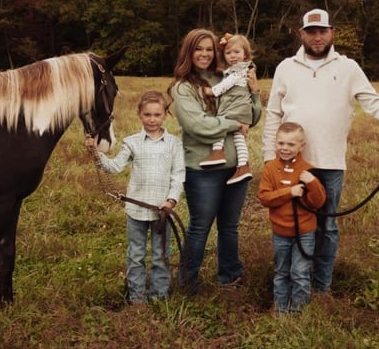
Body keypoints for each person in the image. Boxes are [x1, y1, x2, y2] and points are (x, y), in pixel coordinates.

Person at [262, 8, 379, 293]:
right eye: (311, 32)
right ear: (301, 34)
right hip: (291, 163)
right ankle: (289, 283)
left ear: (332, 33)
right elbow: (273, 115)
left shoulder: (348, 68)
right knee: (291, 224)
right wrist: (269, 160)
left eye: (322, 31)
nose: (317, 37)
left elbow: (373, 101)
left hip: (329, 164)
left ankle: (321, 287)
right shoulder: (286, 68)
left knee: (326, 227)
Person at [168, 28, 262, 294]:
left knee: (229, 227)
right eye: (199, 49)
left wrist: (254, 92)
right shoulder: (183, 88)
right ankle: (187, 282)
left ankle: (230, 275)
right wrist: (234, 123)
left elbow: (251, 119)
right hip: (202, 169)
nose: (205, 54)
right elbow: (198, 125)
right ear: (189, 51)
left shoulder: (229, 76)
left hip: (235, 166)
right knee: (200, 226)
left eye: (209, 49)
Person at [85, 90, 184, 304]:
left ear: (165, 115)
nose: (152, 119)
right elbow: (115, 166)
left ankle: (159, 296)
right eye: (147, 114)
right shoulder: (132, 142)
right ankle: (137, 298)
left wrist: (171, 200)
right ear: (139, 114)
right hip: (136, 211)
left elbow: (178, 175)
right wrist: (96, 153)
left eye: (157, 115)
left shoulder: (174, 144)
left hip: (162, 212)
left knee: (160, 256)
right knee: (136, 256)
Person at [258, 122, 326, 314]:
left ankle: (299, 312)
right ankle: (280, 311)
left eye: (290, 145)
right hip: (280, 232)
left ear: (301, 147)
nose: (285, 149)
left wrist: (312, 183)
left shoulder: (309, 170)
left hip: (304, 233)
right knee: (281, 272)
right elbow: (264, 197)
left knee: (300, 272)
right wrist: (289, 192)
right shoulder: (270, 168)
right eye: (281, 143)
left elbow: (318, 203)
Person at [200, 32, 256, 184]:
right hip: (241, 110)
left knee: (221, 125)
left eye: (236, 52)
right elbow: (226, 75)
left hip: (235, 108)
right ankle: (243, 166)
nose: (232, 55)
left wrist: (211, 91)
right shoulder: (237, 69)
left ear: (245, 55)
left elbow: (227, 84)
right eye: (228, 52)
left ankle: (217, 151)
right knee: (239, 138)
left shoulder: (240, 70)